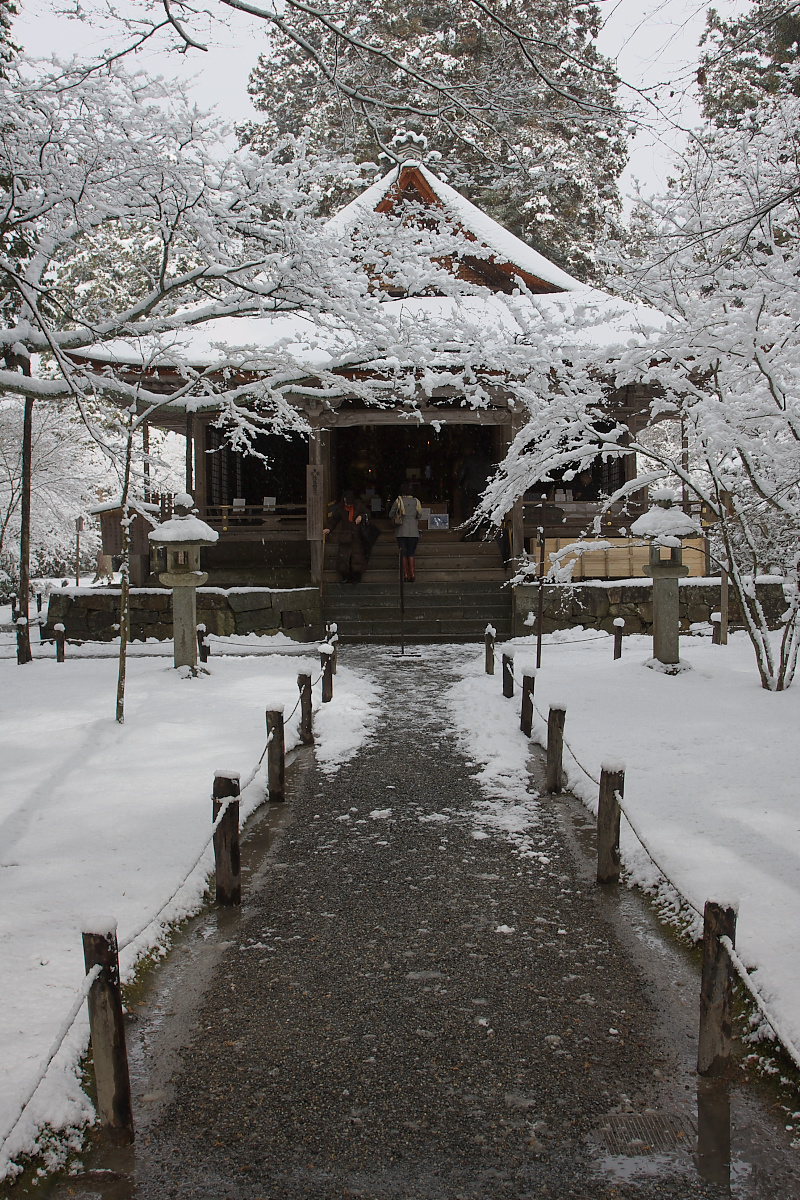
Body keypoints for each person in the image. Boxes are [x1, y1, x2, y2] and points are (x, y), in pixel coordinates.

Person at [324, 491, 369, 583]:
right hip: (345, 535)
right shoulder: (340, 509)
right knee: (344, 558)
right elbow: (334, 520)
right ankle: (345, 577)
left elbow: (367, 514)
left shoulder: (358, 506)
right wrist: (328, 528)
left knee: (356, 557)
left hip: (357, 535)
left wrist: (361, 516)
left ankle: (356, 576)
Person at [390, 489, 422, 582]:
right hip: (413, 531)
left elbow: (391, 514)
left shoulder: (398, 500)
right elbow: (419, 515)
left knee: (403, 553)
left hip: (401, 531)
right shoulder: (417, 501)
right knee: (411, 552)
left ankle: (405, 574)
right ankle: (412, 574)